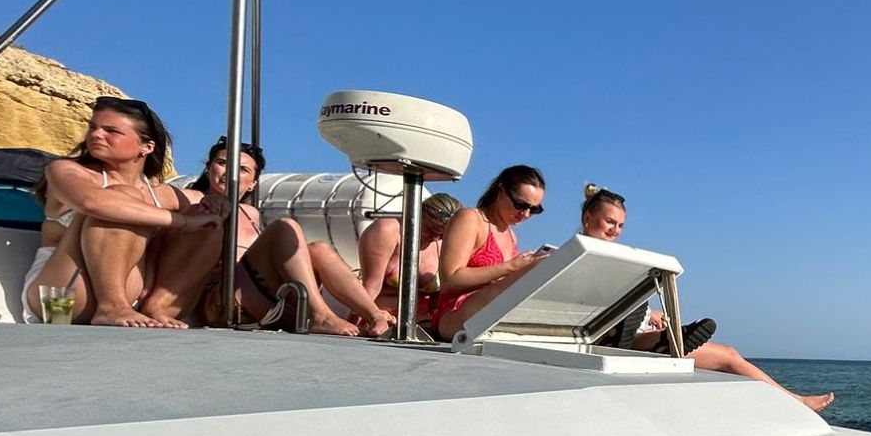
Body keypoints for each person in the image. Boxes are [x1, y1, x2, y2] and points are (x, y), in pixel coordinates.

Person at [91, 138, 390, 334]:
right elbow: (146, 227)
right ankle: (320, 313)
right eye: (222, 163)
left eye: (243, 169)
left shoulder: (253, 215)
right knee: (286, 227)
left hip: (266, 299)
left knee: (320, 248)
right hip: (219, 302)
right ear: (209, 168)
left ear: (253, 181)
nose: (230, 172)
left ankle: (374, 315)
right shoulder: (186, 197)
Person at [580, 184, 833, 412]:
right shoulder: (563, 259)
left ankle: (663, 341)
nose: (616, 231)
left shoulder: (624, 261)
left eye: (621, 225)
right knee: (636, 330)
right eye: (610, 222)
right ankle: (657, 342)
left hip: (631, 329)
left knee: (729, 354)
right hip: (597, 331)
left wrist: (651, 314)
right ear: (588, 217)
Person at [24, 97, 217, 322]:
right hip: (59, 303)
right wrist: (181, 221)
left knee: (208, 222)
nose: (96, 135)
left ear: (147, 146)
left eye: (111, 131)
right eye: (93, 128)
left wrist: (216, 204)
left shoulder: (161, 193)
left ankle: (157, 308)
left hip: (131, 303)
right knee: (124, 198)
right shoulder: (66, 171)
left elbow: (202, 206)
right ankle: (111, 306)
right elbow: (91, 202)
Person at [430, 165, 552, 341]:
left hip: (484, 314)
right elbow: (450, 280)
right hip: (455, 314)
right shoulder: (471, 219)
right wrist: (512, 267)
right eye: (520, 205)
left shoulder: (511, 235)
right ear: (500, 190)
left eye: (534, 209)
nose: (525, 214)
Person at [315, 191, 462, 328]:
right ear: (419, 213)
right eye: (430, 229)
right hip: (385, 317)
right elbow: (371, 286)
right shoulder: (389, 230)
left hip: (423, 323)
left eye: (441, 235)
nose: (435, 238)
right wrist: (355, 323)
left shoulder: (442, 244)